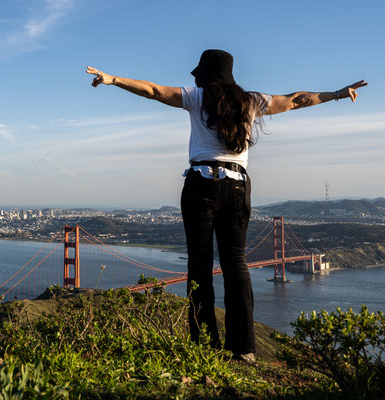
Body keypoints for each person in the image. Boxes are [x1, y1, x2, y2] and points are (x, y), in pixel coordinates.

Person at [86, 49, 367, 363]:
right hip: (236, 186)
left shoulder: (197, 97)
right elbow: (297, 99)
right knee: (236, 265)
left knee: (199, 265)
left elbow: (154, 91)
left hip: (200, 184)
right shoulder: (252, 101)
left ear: (205, 75)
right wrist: (339, 94)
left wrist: (113, 80)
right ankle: (243, 348)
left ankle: (203, 346)